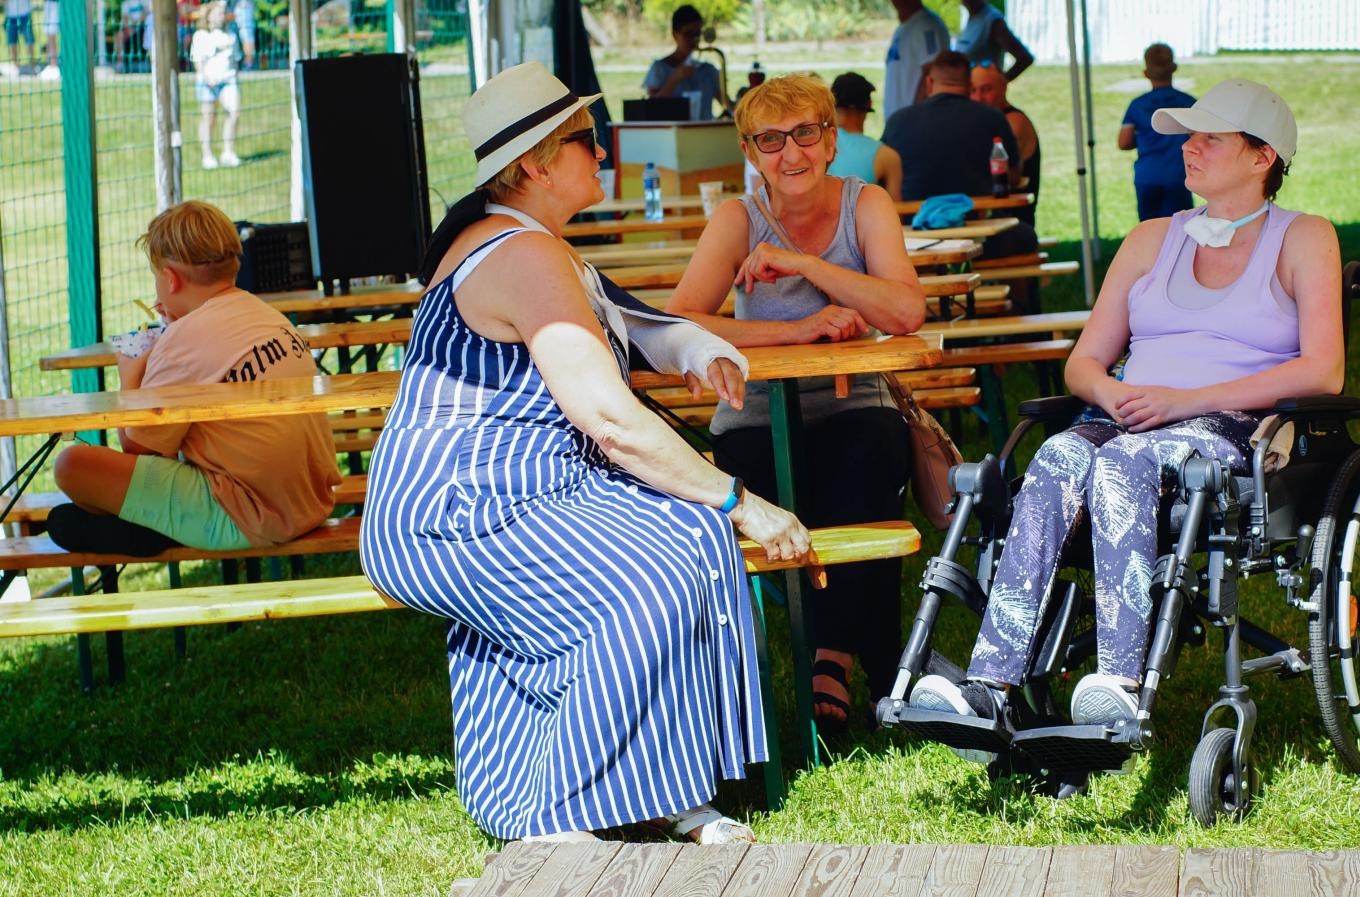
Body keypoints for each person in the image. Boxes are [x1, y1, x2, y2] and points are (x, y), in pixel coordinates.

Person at [360, 61, 809, 843]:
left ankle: (666, 788)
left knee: (691, 539)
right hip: (458, 511)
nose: (602, 151)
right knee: (656, 573)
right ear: (534, 163)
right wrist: (742, 499)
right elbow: (610, 417)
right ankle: (552, 815)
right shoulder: (519, 253)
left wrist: (699, 349)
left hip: (519, 492)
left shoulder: (530, 243)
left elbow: (631, 319)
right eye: (586, 139)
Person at [908, 80, 1342, 744]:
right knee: (1055, 455)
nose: (1188, 148)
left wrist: (1184, 402)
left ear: (1263, 158)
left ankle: (1118, 679)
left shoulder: (1304, 238)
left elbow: (1324, 369)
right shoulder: (1150, 239)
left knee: (1120, 464)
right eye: (1189, 135)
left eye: (1210, 138)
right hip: (1130, 414)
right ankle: (988, 684)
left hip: (1230, 423)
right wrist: (1112, 395)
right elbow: (1084, 362)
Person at [665, 73, 925, 734]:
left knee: (871, 453)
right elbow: (680, 322)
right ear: (751, 154)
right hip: (756, 415)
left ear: (832, 140)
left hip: (853, 407)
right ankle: (880, 657)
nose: (792, 154)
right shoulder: (736, 217)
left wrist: (805, 266)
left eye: (805, 133)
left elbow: (904, 310)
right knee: (792, 474)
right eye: (771, 140)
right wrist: (798, 328)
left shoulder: (864, 206)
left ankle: (829, 656)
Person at [49, 200, 341, 557]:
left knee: (72, 466)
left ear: (170, 279)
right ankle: (150, 523)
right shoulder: (267, 315)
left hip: (249, 516)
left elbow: (140, 449)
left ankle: (153, 526)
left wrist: (130, 376)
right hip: (311, 501)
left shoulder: (181, 342)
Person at [883, 50, 1036, 259]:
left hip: (916, 236)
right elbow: (1013, 176)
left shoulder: (897, 121)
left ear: (929, 82)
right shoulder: (993, 118)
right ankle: (1019, 293)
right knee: (1025, 237)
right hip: (981, 236)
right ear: (968, 84)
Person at [1119, 42, 1196, 222]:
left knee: (1150, 230)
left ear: (1146, 72)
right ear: (1174, 68)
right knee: (1181, 231)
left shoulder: (1137, 105)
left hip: (1148, 176)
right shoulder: (1189, 102)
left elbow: (1123, 143)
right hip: (1179, 176)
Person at [970, 60, 1038, 227]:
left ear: (1003, 88)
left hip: (1011, 222)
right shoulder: (982, 122)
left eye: (986, 89)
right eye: (972, 90)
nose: (978, 97)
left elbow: (996, 175)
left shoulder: (1013, 122)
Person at [828, 71, 903, 201]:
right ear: (869, 104)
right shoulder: (887, 156)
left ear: (831, 103)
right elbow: (896, 211)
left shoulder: (815, 145)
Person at [643, 4, 723, 121]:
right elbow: (651, 107)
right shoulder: (659, 68)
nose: (693, 40)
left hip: (704, 134)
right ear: (675, 34)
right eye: (688, 34)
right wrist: (676, 78)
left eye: (697, 35)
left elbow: (726, 104)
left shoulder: (708, 70)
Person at [191, 0, 241, 169]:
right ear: (209, 16)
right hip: (207, 83)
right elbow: (198, 61)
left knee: (234, 112)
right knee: (209, 119)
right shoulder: (201, 36)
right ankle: (207, 155)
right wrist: (206, 78)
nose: (221, 16)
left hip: (228, 80)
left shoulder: (230, 34)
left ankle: (228, 152)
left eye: (222, 13)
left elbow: (235, 58)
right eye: (217, 13)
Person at [883, 0, 949, 121]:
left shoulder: (925, 26)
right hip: (900, 123)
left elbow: (932, 71)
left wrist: (915, 119)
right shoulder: (905, 27)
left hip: (912, 123)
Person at [952, 0, 1032, 83]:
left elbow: (1024, 58)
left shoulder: (992, 21)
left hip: (982, 92)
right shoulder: (972, 17)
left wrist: (1000, 82)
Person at [4, 0, 33, 76]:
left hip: (25, 13)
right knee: (12, 41)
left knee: (29, 39)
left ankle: (32, 65)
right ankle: (15, 66)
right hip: (11, 14)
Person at [231, 0, 253, 69]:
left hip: (243, 6)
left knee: (246, 34)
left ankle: (248, 63)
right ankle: (236, 62)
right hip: (235, 6)